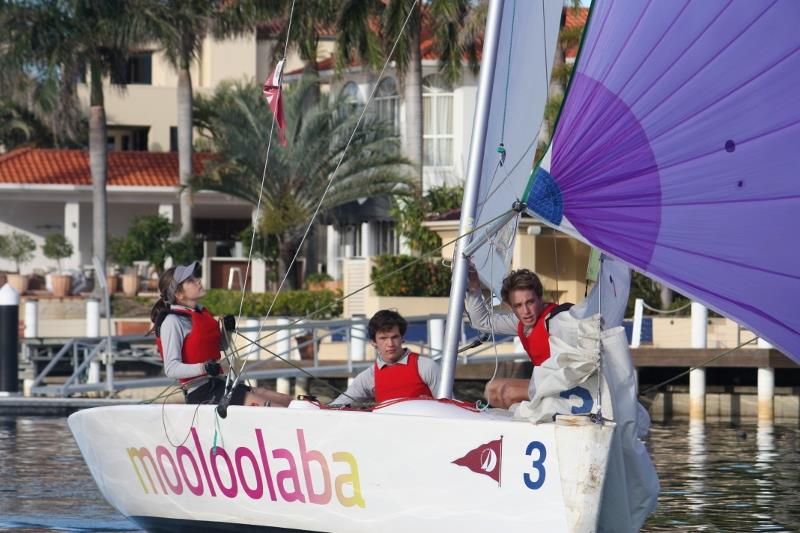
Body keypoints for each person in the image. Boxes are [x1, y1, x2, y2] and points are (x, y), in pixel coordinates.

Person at [150, 261, 291, 407]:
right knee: (272, 406)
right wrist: (203, 368)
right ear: (179, 294)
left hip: (218, 384)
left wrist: (227, 331)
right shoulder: (172, 321)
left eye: (195, 277)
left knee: (286, 400)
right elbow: (171, 368)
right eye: (190, 280)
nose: (198, 281)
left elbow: (221, 346)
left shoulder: (200, 313)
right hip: (201, 393)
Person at [465, 263, 571, 408]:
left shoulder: (558, 319)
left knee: (507, 393)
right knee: (491, 390)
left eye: (530, 302)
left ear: (540, 298)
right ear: (511, 306)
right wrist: (473, 286)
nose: (526, 311)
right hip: (543, 384)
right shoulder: (520, 322)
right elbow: (482, 322)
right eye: (518, 305)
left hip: (567, 387)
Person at [331, 310, 441, 405]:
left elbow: (450, 405)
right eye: (383, 338)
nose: (390, 344)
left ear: (402, 338)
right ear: (373, 342)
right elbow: (337, 405)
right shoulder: (368, 377)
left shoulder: (426, 366)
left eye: (395, 337)